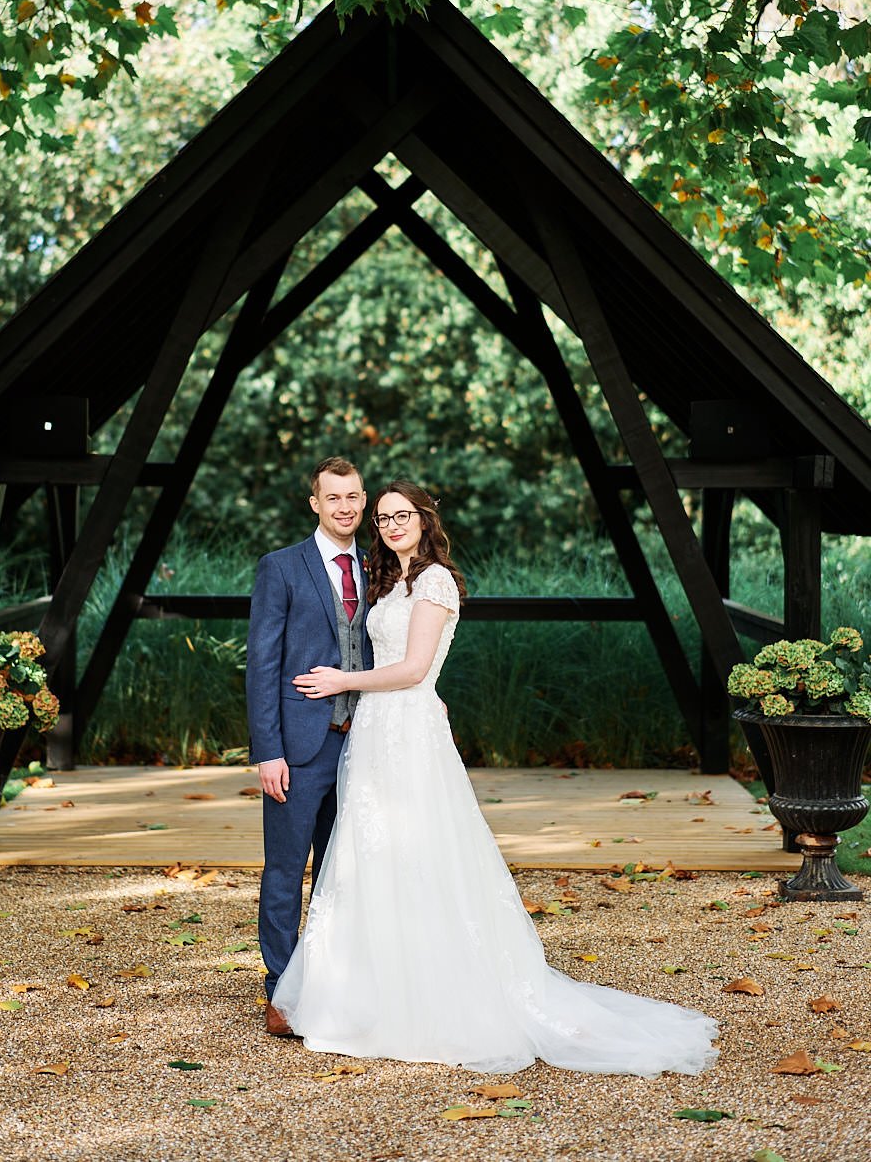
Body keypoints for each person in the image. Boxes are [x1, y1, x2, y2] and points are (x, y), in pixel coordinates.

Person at [272, 479, 720, 1076]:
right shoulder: (389, 581)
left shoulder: (434, 581)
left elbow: (413, 669)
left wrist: (341, 681)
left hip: (407, 732)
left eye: (402, 515)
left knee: (419, 852)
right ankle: (368, 990)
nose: (391, 525)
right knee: (372, 854)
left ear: (425, 519)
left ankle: (435, 997)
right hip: (378, 732)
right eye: (382, 518)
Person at [246, 456, 374, 1037]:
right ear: (315, 503)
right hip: (298, 749)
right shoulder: (281, 567)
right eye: (333, 497)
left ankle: (331, 982)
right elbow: (262, 664)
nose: (344, 507)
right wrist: (267, 750)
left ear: (363, 500)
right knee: (284, 871)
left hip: (363, 745)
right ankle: (282, 991)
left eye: (353, 496)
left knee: (342, 870)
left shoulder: (378, 568)